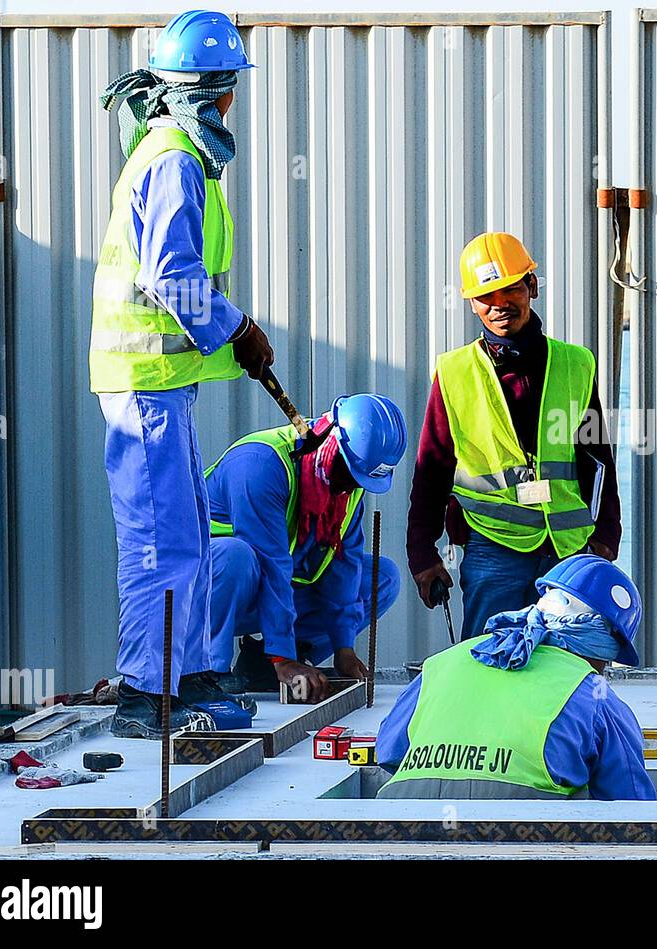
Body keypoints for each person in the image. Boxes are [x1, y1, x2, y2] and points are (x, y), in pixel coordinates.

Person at [92, 11, 274, 738]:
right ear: (215, 91)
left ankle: (189, 673)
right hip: (142, 386)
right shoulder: (172, 160)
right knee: (158, 538)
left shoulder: (176, 155)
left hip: (162, 386)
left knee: (190, 533)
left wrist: (229, 340)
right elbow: (173, 275)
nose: (234, 105)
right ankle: (146, 694)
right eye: (231, 91)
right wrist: (239, 330)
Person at [407, 232, 622, 641]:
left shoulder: (575, 364)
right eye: (485, 296)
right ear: (471, 303)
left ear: (532, 287)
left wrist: (606, 535)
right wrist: (422, 553)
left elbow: (598, 459)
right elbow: (431, 470)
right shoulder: (454, 374)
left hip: (568, 547)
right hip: (493, 546)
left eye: (510, 289)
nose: (499, 304)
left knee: (570, 666)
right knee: (491, 667)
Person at [375, 555, 656, 800]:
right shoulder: (594, 695)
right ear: (599, 644)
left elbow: (388, 752)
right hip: (520, 842)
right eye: (607, 660)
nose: (603, 670)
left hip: (402, 826)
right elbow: (631, 807)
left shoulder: (441, 664)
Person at [206, 395, 407, 703]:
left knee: (382, 578)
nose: (349, 486)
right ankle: (208, 674)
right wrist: (282, 658)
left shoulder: (345, 486)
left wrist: (344, 648)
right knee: (236, 557)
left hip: (262, 589)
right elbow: (271, 565)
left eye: (359, 480)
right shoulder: (259, 465)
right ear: (332, 442)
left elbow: (344, 566)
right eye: (350, 473)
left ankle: (266, 662)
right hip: (202, 594)